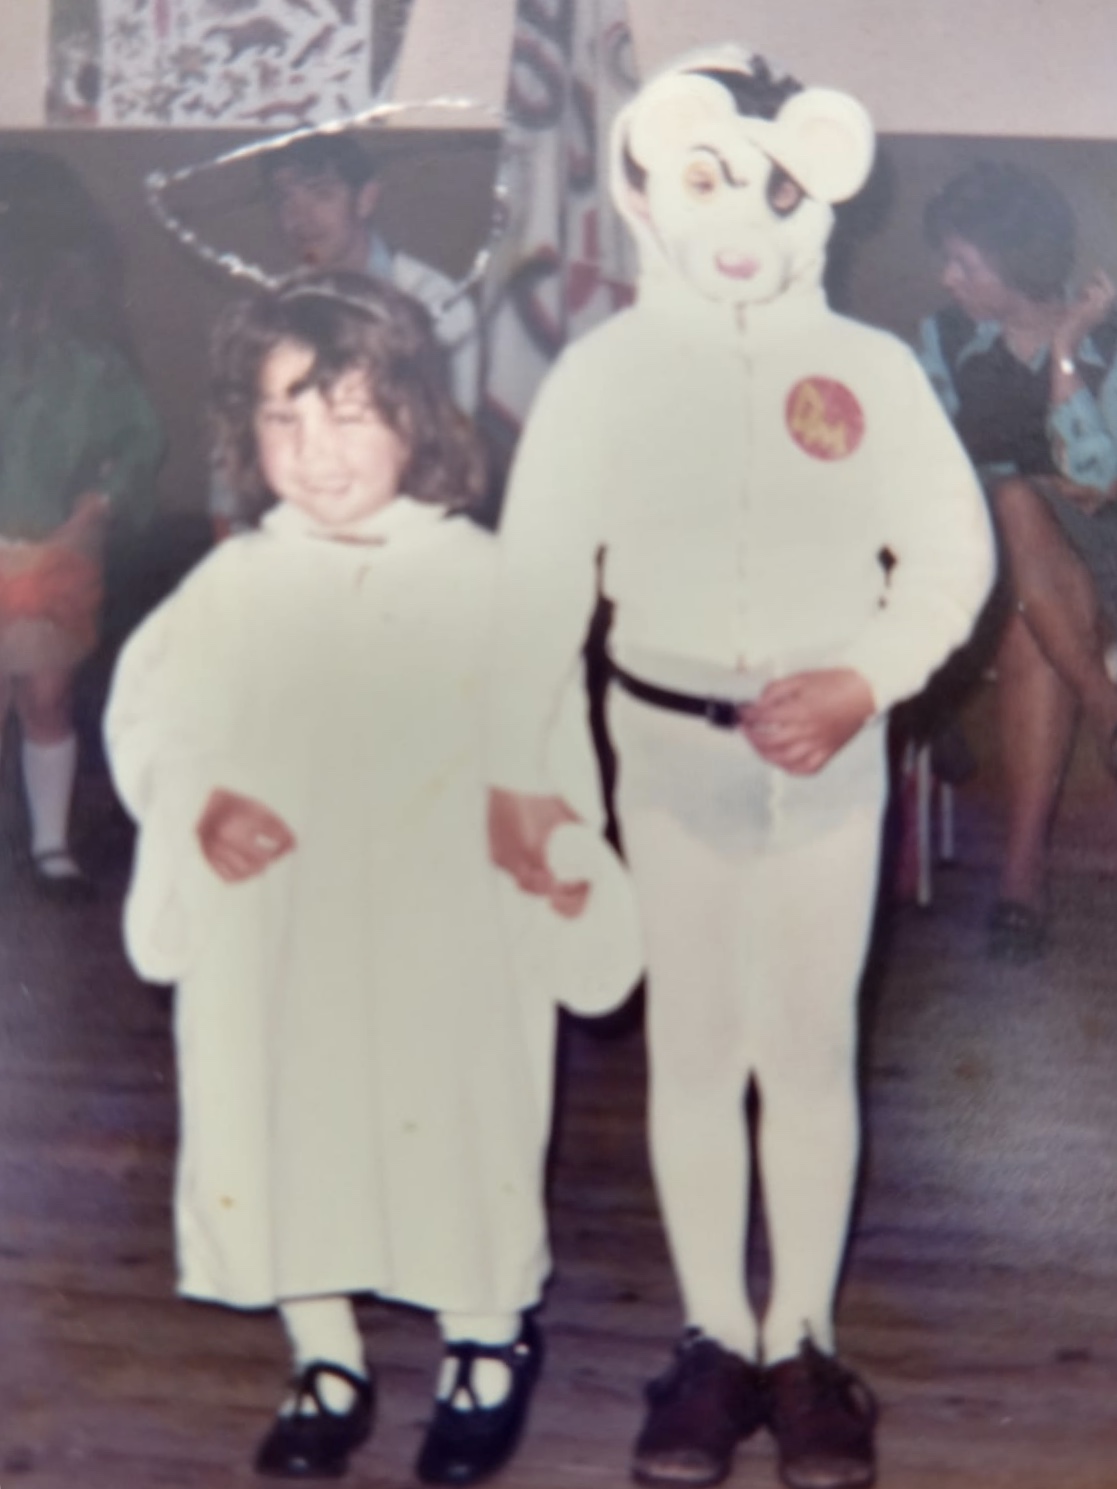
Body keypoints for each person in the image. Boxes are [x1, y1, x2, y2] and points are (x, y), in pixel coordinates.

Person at [486, 47, 995, 1489]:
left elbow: (951, 557)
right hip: (666, 752)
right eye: (707, 181)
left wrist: (865, 679)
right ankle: (714, 1335)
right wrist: (525, 774)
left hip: (828, 759)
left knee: (809, 1048)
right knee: (698, 1052)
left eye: (774, 190)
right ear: (653, 190)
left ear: (814, 197)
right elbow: (538, 589)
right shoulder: (603, 376)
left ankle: (804, 1341)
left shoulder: (868, 370)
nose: (739, 219)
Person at [104, 274, 562, 1485]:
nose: (314, 451)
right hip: (283, 930)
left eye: (349, 414)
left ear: (416, 417)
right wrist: (202, 802)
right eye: (283, 419)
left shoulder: (484, 580)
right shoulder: (235, 583)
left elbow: (542, 750)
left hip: (441, 926)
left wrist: (549, 858)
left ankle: (485, 1339)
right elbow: (151, 718)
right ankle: (324, 1353)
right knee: (284, 1120)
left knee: (457, 1119)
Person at [919, 160, 1117, 963]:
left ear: (1013, 260)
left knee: (1016, 523)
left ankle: (1020, 880)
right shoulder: (942, 339)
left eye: (962, 262)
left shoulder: (1106, 340)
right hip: (982, 564)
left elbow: (1097, 483)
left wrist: (1066, 352)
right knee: (1007, 508)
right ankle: (1107, 708)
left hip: (1088, 565)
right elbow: (922, 462)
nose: (947, 278)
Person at [0, 147, 163, 899]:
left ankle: (50, 845)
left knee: (46, 697)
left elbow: (141, 440)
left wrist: (98, 503)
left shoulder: (91, 362)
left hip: (53, 552)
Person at [261, 134, 480, 414]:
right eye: (284, 199)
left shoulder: (434, 301)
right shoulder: (278, 305)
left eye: (321, 195)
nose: (301, 217)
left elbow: (454, 427)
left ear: (365, 199)